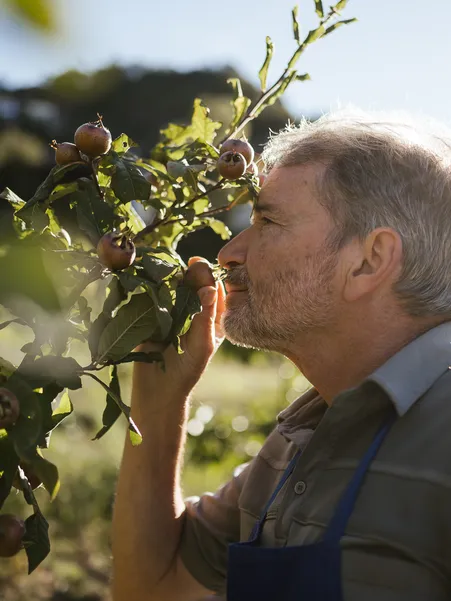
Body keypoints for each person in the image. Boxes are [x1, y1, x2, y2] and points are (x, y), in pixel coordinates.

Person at [111, 110, 451, 601]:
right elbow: (153, 589)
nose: (229, 252)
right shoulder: (297, 442)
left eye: (268, 220)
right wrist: (158, 406)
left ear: (369, 261)